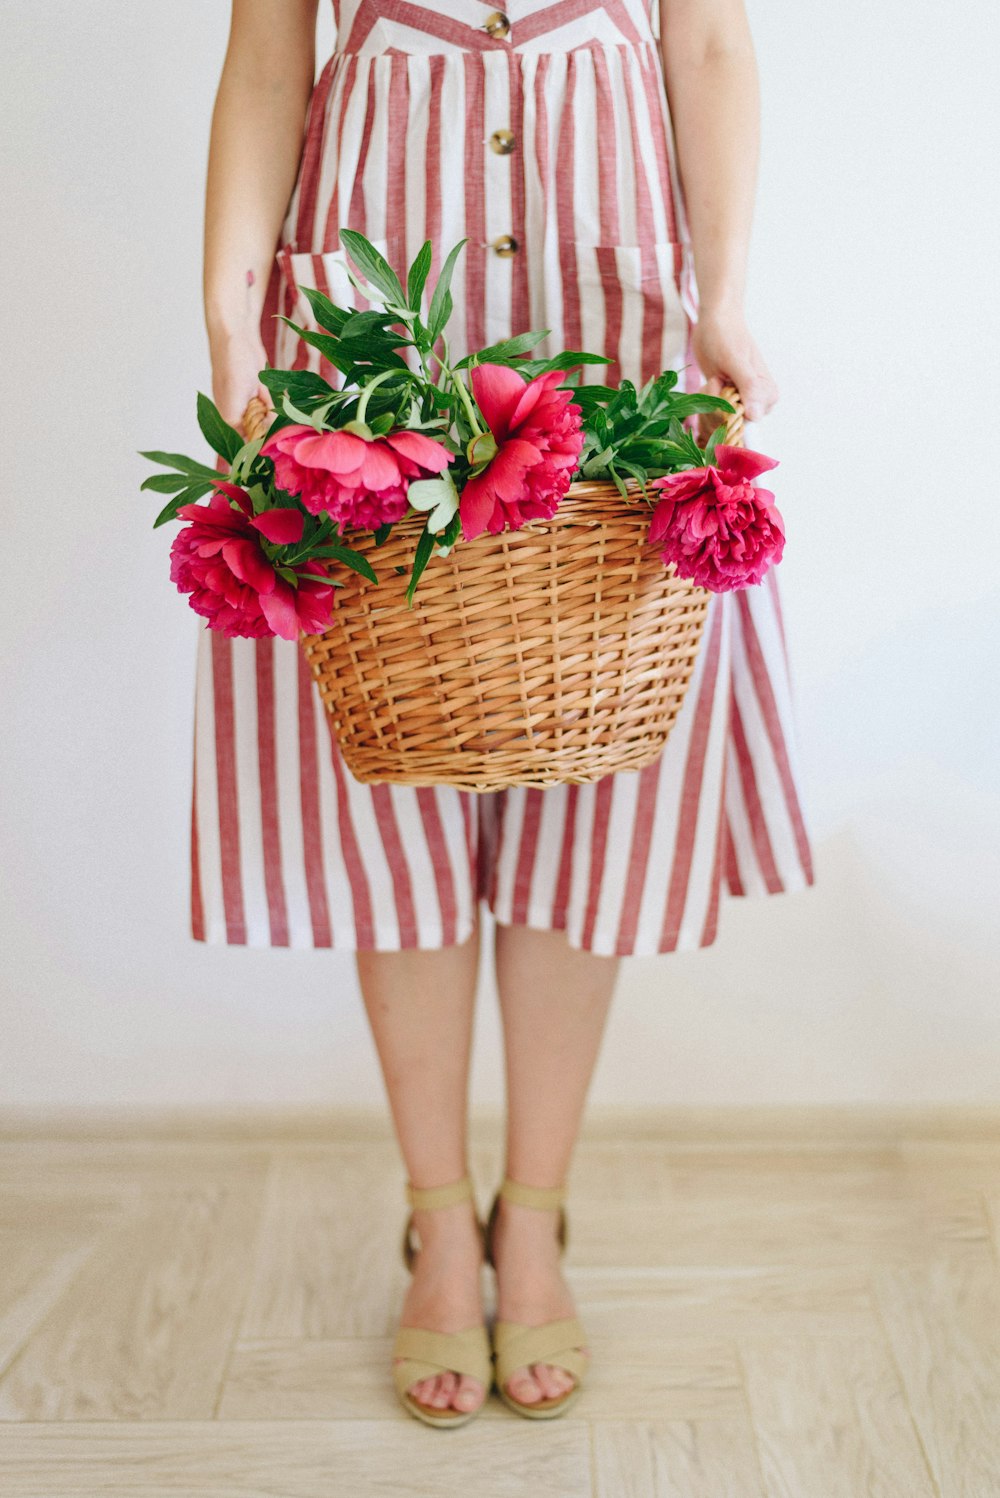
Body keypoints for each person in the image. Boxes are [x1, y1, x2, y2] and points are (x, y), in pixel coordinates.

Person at [200, 0, 815, 1426]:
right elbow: (267, 49)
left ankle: (531, 1209)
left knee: (593, 767)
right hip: (365, 291)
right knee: (390, 768)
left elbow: (708, 41)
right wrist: (233, 317)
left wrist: (720, 288)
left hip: (613, 288)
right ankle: (436, 1215)